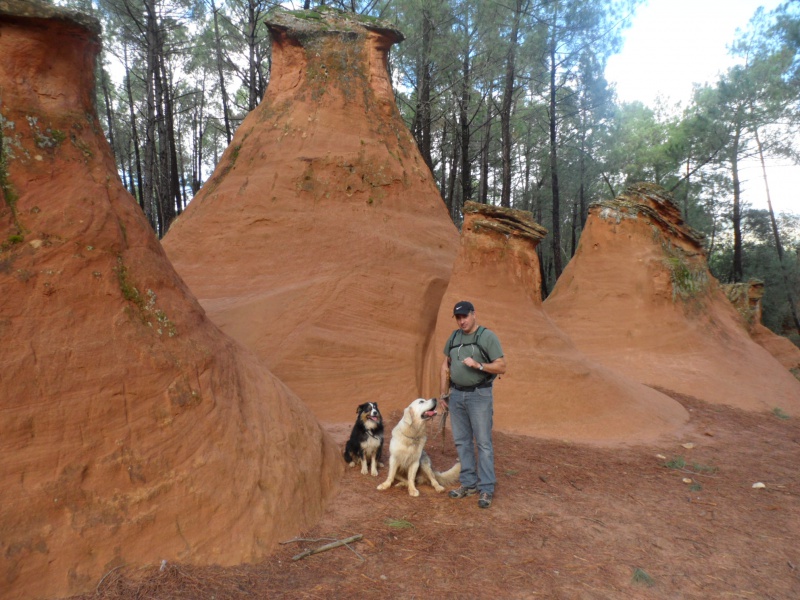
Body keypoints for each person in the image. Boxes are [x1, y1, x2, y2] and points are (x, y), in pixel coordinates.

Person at [440, 300, 506, 509]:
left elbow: (501, 366)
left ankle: (486, 488)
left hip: (479, 395)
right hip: (457, 395)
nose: (462, 321)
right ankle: (468, 484)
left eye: (465, 316)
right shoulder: (454, 338)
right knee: (462, 441)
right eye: (458, 318)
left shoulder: (487, 336)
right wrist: (443, 394)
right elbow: (445, 366)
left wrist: (478, 365)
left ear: (473, 314)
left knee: (483, 443)